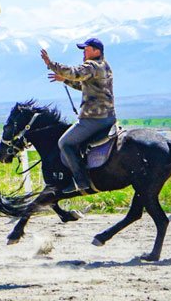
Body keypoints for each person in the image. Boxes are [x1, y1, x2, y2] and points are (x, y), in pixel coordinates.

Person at [40, 38, 116, 193]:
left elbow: (74, 73)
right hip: (109, 117)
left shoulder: (92, 65)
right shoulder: (105, 66)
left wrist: (50, 64)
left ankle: (81, 182)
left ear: (97, 51)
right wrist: (66, 80)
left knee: (65, 143)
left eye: (86, 49)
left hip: (93, 119)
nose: (84, 52)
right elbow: (85, 85)